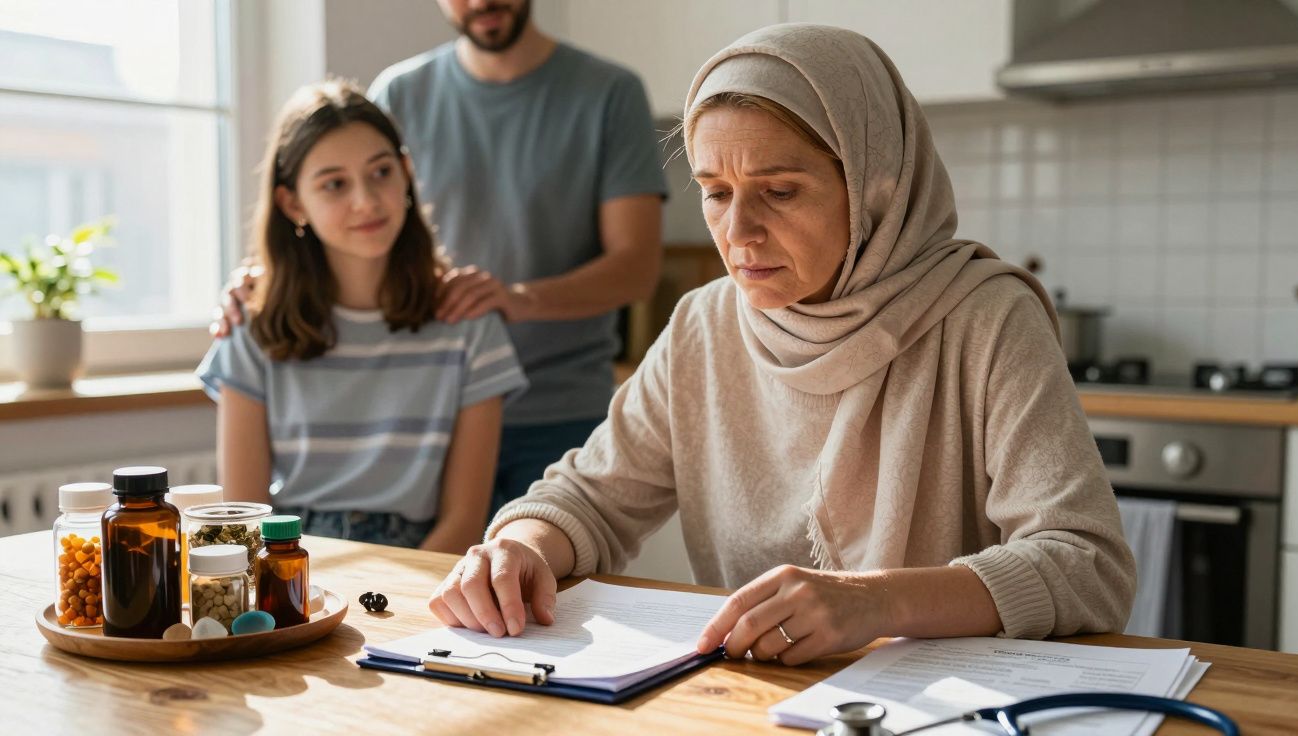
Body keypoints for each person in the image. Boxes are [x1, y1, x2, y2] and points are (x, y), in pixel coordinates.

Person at [428, 24, 1136, 664]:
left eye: (781, 191)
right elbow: (589, 497)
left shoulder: (987, 317)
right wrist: (518, 546)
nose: (738, 232)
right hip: (754, 696)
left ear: (875, 187)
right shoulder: (703, 324)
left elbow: (1086, 565)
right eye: (715, 191)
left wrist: (876, 601)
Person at [215, 0, 667, 521]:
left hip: (558, 412)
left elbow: (637, 268)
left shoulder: (609, 93)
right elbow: (338, 209)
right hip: (426, 417)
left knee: (558, 571)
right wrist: (266, 283)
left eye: (383, 174)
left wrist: (516, 300)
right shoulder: (400, 92)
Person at [197, 80, 527, 551]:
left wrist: (405, 594)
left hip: (424, 560)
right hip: (293, 555)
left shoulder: (470, 326)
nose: (367, 201)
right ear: (293, 203)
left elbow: (463, 522)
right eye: (335, 184)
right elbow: (245, 520)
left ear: (406, 174)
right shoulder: (250, 331)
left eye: (381, 172)